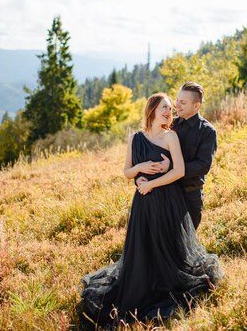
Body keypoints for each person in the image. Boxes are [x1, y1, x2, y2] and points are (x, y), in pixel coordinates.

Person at [80, 93, 222, 328]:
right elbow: (126, 172)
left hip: (167, 199)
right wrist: (140, 168)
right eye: (164, 107)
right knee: (143, 249)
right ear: (152, 109)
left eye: (170, 107)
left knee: (166, 247)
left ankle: (165, 288)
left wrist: (151, 184)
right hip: (143, 203)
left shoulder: (171, 136)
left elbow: (177, 172)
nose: (169, 111)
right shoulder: (135, 138)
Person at [136, 82, 217, 229]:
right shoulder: (169, 124)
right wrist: (138, 177)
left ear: (196, 106)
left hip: (189, 195)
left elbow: (203, 165)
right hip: (164, 194)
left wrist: (171, 167)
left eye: (183, 102)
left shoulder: (207, 131)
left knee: (186, 245)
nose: (177, 105)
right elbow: (150, 150)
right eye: (177, 100)